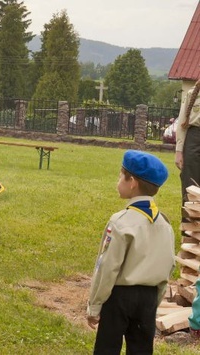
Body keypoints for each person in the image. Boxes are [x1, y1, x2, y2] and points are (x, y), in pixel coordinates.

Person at [86, 150, 175, 354]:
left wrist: (95, 306)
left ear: (132, 181)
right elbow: (168, 267)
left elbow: (107, 269)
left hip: (119, 298)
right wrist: (155, 301)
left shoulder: (120, 222)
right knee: (142, 349)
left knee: (107, 348)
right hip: (148, 298)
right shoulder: (165, 224)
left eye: (120, 176)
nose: (118, 181)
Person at [175, 80, 200, 209]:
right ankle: (189, 227)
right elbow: (182, 124)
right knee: (190, 187)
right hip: (194, 139)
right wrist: (179, 151)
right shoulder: (192, 93)